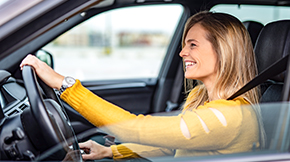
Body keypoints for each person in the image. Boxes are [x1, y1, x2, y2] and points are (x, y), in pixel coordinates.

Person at [20, 11, 265, 160]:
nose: (182, 53)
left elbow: (135, 127)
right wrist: (110, 152)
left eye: (192, 45)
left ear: (222, 51)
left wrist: (65, 84)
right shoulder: (203, 97)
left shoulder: (230, 117)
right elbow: (171, 147)